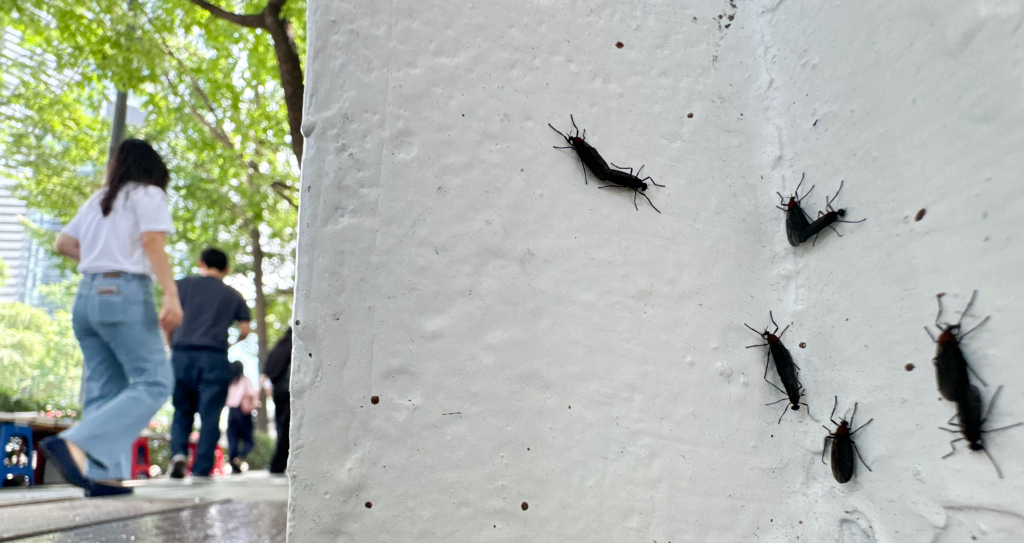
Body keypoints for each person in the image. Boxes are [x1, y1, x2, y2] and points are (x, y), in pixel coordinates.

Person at [41, 139, 181, 497]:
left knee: (106, 389)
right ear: (153, 169)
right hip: (124, 294)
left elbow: (64, 244)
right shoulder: (147, 194)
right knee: (156, 381)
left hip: (87, 297)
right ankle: (77, 442)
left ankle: (104, 476)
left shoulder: (97, 200)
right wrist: (170, 292)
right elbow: (152, 242)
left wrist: (101, 260)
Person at [168, 248, 251, 478]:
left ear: (200, 263)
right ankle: (201, 469)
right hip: (214, 356)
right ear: (226, 269)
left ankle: (178, 454)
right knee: (211, 415)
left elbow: (166, 320)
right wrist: (230, 344)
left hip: (182, 354)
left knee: (182, 409)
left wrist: (171, 345)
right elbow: (245, 329)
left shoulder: (180, 286)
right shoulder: (233, 295)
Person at [262, 327, 292, 474]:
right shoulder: (294, 345)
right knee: (287, 428)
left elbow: (267, 372)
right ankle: (278, 465)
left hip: (277, 391)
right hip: (289, 391)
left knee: (282, 427)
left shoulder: (278, 348)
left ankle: (277, 465)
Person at [225, 360, 260, 473]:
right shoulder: (245, 380)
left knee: (233, 439)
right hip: (242, 412)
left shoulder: (228, 381)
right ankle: (239, 458)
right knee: (249, 440)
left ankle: (233, 461)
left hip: (231, 411)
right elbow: (252, 393)